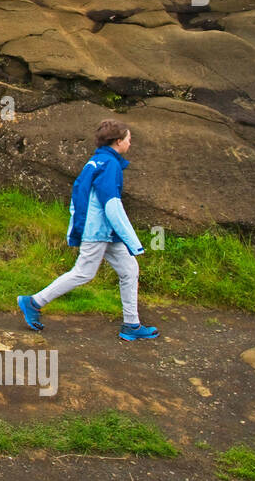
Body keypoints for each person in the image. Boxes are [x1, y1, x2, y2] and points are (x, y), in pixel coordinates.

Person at [17, 119, 158, 340]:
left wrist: (79, 224)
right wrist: (133, 240)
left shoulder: (96, 161)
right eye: (129, 139)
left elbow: (79, 196)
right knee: (83, 272)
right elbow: (111, 203)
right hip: (100, 230)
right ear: (118, 141)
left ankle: (131, 324)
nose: (131, 144)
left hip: (103, 230)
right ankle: (33, 302)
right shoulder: (109, 165)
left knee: (129, 270)